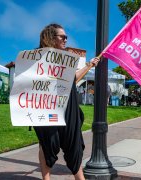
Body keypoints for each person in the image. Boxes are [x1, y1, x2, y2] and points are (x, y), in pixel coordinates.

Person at [34, 23, 99, 180]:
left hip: (68, 106)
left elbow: (73, 79)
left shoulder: (65, 59)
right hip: (47, 106)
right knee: (47, 142)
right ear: (50, 37)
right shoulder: (37, 56)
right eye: (62, 37)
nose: (65, 40)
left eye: (66, 37)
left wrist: (90, 65)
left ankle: (80, 178)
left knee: (73, 141)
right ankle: (46, 178)